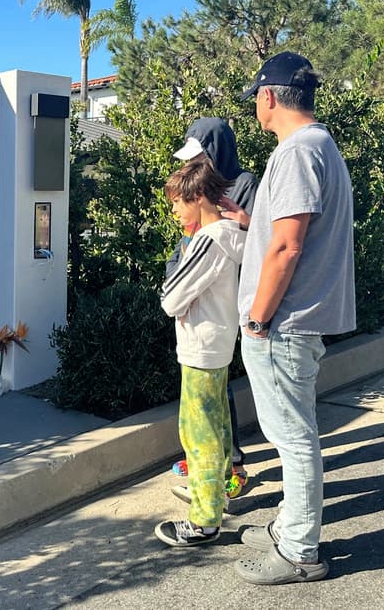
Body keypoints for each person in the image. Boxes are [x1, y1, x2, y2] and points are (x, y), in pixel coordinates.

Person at [222, 52, 356, 584]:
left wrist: (257, 320)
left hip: (284, 324)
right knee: (294, 432)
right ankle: (289, 527)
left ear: (268, 96)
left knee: (293, 438)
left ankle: (299, 550)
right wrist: (250, 221)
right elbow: (286, 232)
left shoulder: (298, 151)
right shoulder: (319, 145)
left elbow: (288, 246)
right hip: (297, 320)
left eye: (255, 98)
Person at [153, 156, 246, 547]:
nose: (174, 210)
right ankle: (218, 492)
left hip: (200, 347)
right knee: (218, 424)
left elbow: (172, 298)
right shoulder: (234, 233)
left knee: (198, 432)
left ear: (198, 197)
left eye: (178, 202)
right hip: (218, 342)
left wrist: (172, 290)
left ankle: (204, 519)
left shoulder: (208, 241)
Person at [167, 117, 257, 500]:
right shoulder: (198, 191)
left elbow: (251, 241)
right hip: (200, 305)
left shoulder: (243, 185)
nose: (193, 165)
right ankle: (210, 464)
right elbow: (187, 245)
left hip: (221, 306)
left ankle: (225, 474)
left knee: (212, 404)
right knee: (207, 405)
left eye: (199, 156)